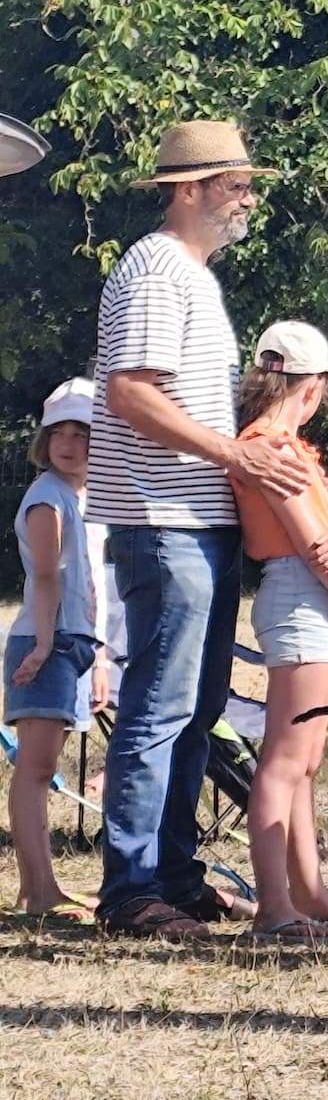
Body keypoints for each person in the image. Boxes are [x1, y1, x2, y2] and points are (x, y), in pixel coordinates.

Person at [90, 120, 310, 940]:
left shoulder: (191, 276)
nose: (249, 198)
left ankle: (175, 877)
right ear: (189, 191)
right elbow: (130, 395)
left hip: (198, 520)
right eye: (236, 184)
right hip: (163, 519)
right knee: (160, 705)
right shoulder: (156, 271)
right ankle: (133, 891)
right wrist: (234, 455)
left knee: (196, 705)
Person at [230, 322, 328, 941]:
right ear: (313, 385)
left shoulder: (280, 444)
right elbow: (319, 544)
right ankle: (276, 906)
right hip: (302, 597)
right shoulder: (272, 447)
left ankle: (308, 891)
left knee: (304, 758)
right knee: (284, 759)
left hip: (308, 597)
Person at [7, 379, 107, 919]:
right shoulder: (48, 498)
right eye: (59, 433)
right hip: (45, 641)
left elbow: (89, 585)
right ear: (44, 440)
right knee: (35, 768)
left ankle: (44, 887)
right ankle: (37, 890)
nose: (69, 443)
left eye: (82, 433)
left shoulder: (81, 496)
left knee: (44, 766)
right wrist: (45, 646)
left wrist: (98, 659)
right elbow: (46, 578)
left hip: (71, 641)